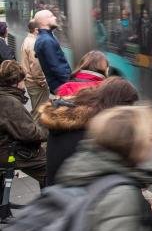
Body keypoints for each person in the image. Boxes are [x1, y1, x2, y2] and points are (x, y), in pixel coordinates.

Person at [40, 77, 139, 187]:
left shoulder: (77, 116)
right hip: (72, 196)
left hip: (55, 189)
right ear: (119, 106)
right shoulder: (93, 131)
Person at [0, 60, 48, 188]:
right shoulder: (10, 102)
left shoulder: (5, 96)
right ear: (16, 82)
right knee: (50, 168)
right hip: (9, 152)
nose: (24, 84)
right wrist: (47, 130)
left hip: (5, 146)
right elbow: (30, 134)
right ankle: (52, 201)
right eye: (23, 80)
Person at [33, 8, 72, 93]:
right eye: (51, 16)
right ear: (43, 21)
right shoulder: (47, 41)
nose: (55, 17)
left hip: (57, 85)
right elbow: (57, 66)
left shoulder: (43, 38)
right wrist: (71, 83)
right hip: (61, 86)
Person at [20, 20, 50, 120]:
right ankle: (38, 134)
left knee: (37, 109)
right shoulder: (34, 43)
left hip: (30, 81)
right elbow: (36, 66)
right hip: (36, 83)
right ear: (36, 30)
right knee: (39, 112)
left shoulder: (27, 40)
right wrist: (41, 81)